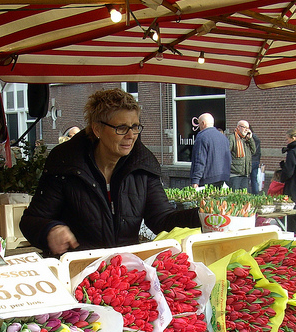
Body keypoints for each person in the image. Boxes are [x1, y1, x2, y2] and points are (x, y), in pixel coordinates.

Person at [20, 88, 201, 256]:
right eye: (121, 128)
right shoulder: (65, 164)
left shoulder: (143, 166)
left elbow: (162, 220)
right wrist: (50, 230)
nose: (131, 135)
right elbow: (32, 220)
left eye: (135, 127)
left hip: (124, 272)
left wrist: (202, 216)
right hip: (77, 271)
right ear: (97, 129)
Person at [189, 113, 232, 188]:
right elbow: (228, 158)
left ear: (203, 123)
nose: (199, 127)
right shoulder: (223, 137)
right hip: (222, 177)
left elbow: (200, 160)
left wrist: (196, 180)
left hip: (207, 178)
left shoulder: (202, 137)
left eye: (199, 124)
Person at [227, 120, 256, 190]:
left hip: (245, 174)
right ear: (238, 127)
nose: (246, 130)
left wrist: (250, 139)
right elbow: (226, 153)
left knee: (243, 197)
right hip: (234, 174)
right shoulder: (232, 138)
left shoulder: (247, 140)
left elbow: (253, 151)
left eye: (248, 128)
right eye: (244, 127)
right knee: (234, 196)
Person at [248, 123, 262, 193]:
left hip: (250, 161)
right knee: (254, 180)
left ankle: (248, 196)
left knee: (246, 180)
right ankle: (255, 196)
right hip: (256, 161)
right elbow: (259, 152)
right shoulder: (257, 139)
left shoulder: (248, 138)